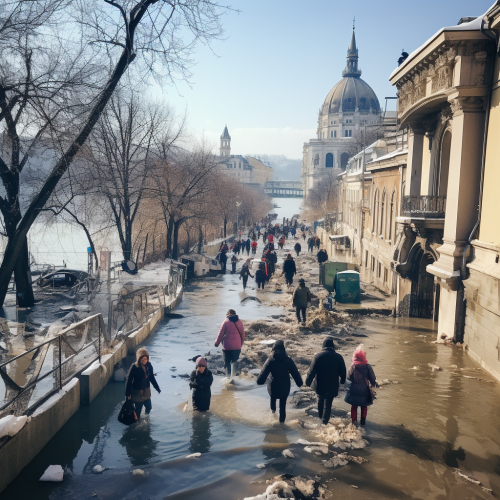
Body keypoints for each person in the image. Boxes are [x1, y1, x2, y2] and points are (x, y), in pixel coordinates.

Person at [257, 340, 303, 423]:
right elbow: (295, 373)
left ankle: (273, 416)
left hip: (273, 387)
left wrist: (259, 381)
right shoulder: (288, 361)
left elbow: (263, 374)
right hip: (284, 388)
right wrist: (299, 383)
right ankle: (281, 424)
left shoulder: (270, 360)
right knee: (283, 406)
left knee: (273, 399)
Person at [305, 338, 346, 425]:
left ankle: (321, 418)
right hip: (332, 385)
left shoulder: (318, 356)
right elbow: (343, 371)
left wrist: (308, 382)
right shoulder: (339, 357)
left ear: (323, 346)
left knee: (320, 399)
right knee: (328, 404)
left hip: (320, 385)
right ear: (333, 347)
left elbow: (311, 371)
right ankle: (325, 423)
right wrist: (342, 381)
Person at [345, 345, 377, 426]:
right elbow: (373, 378)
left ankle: (354, 422)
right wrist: (373, 383)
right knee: (364, 406)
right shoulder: (368, 366)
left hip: (354, 389)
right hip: (364, 389)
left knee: (354, 406)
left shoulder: (353, 366)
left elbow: (348, 376)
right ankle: (363, 422)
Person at [125, 347, 161, 418]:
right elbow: (128, 380)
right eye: (142, 359)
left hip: (146, 391)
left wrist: (157, 388)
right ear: (139, 359)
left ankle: (146, 418)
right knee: (138, 410)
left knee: (149, 407)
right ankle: (137, 420)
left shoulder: (149, 366)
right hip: (137, 392)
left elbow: (152, 378)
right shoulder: (134, 367)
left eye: (145, 359)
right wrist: (127, 394)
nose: (144, 361)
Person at [214, 309, 245, 376]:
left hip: (227, 347)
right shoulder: (239, 322)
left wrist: (216, 343)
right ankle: (233, 377)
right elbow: (243, 334)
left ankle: (228, 377)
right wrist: (240, 344)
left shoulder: (225, 322)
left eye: (226, 314)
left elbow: (220, 334)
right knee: (235, 361)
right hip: (237, 346)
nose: (226, 315)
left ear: (229, 314)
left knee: (227, 362)